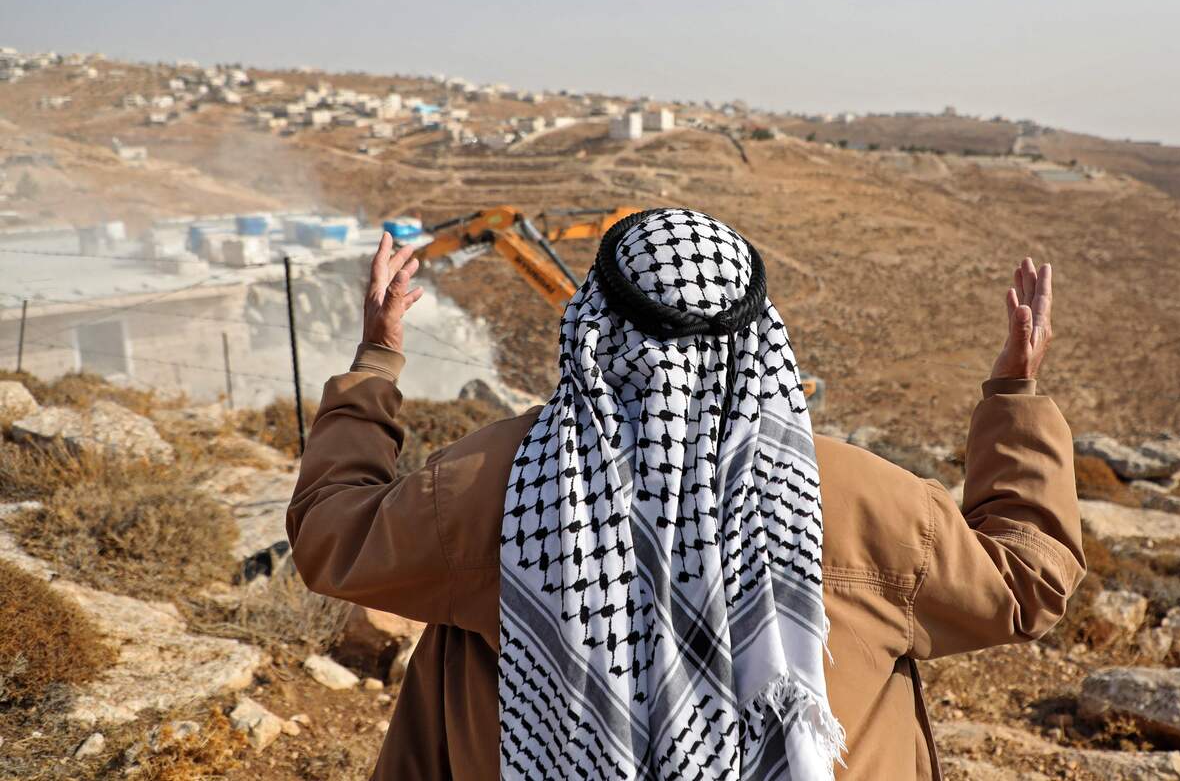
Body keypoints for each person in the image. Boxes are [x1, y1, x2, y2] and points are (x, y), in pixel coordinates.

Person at [287, 208, 1083, 781]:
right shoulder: (870, 500)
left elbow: (334, 537)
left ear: (592, 321)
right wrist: (1015, 393)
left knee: (459, 625)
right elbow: (1026, 584)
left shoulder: (491, 483)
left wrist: (376, 362)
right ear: (759, 333)